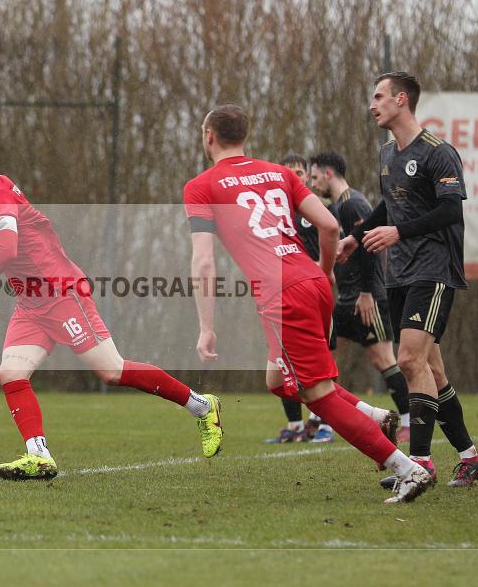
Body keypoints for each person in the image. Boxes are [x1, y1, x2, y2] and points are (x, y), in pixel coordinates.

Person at [0, 101, 222, 480]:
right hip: (31, 303)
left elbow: (5, 250)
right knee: (10, 374)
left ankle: (202, 407)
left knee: (112, 370)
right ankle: (38, 455)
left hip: (61, 294)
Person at [185, 104, 433, 503]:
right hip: (313, 281)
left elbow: (203, 261)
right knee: (278, 380)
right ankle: (375, 416)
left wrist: (207, 326)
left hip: (283, 296)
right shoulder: (280, 173)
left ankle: (407, 469)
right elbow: (331, 225)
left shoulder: (202, 185)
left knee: (317, 395)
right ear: (243, 137)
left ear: (209, 136)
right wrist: (325, 269)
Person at [338, 71, 478, 490]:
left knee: (408, 361)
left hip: (434, 271)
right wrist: (356, 237)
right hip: (399, 274)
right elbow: (390, 204)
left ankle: (419, 464)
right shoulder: (388, 154)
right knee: (432, 372)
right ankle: (470, 459)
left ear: (402, 100)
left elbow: (450, 211)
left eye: (379, 96)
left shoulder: (439, 153)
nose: (373, 104)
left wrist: (400, 233)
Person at [309, 151, 411, 442]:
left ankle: (407, 422)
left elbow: (369, 246)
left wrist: (367, 292)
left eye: (315, 177)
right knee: (321, 354)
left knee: (384, 360)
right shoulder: (338, 206)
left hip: (367, 298)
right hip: (346, 300)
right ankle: (325, 421)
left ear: (328, 174)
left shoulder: (353, 203)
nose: (314, 184)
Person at [263, 153, 328, 444]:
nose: (296, 176)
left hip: (311, 292)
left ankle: (322, 422)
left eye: (300, 172)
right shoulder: (273, 214)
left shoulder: (312, 212)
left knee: (320, 357)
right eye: (289, 172)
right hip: (280, 294)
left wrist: (323, 270)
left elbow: (333, 237)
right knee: (281, 361)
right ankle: (296, 425)